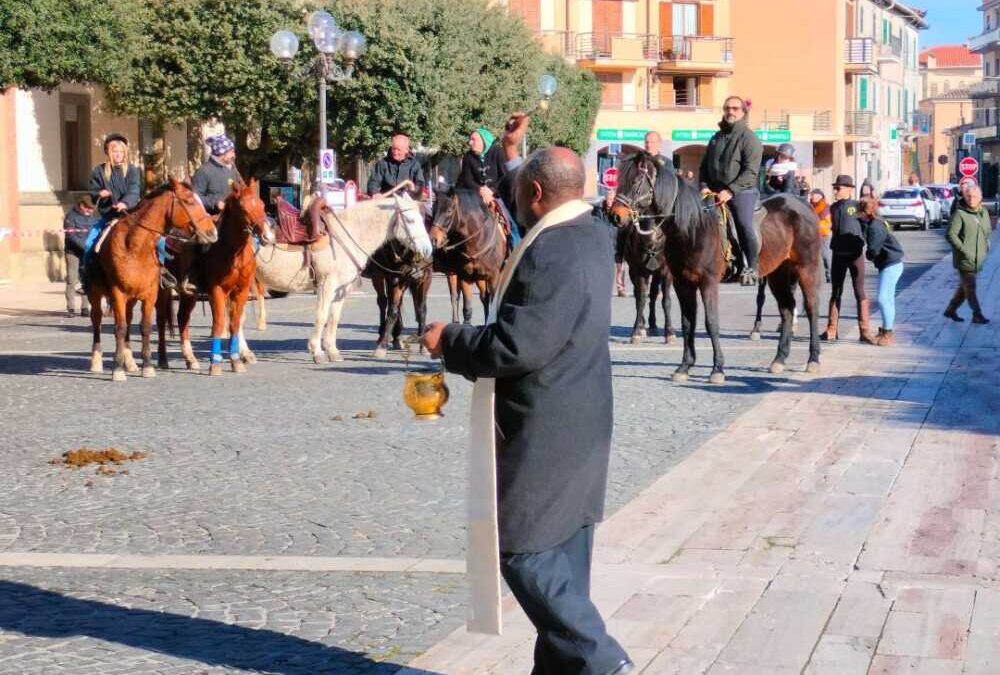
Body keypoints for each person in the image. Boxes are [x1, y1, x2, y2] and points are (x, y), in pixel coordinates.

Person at [420, 113, 633, 675]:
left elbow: (518, 346)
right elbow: (537, 183)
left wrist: (452, 340)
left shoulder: (552, 249)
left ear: (535, 195)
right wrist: (512, 152)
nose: (512, 203)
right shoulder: (592, 234)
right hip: (583, 418)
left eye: (517, 192)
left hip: (548, 427)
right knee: (564, 551)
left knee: (523, 548)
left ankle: (602, 661)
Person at [699, 95, 764, 285]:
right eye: (727, 108)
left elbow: (751, 172)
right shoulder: (716, 138)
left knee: (743, 224)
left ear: (743, 112)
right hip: (713, 192)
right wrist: (703, 186)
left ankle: (751, 266)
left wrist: (731, 190)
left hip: (742, 191)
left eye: (735, 108)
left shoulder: (749, 138)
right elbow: (703, 167)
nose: (730, 111)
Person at [822, 174, 876, 344]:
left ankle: (865, 331)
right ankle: (831, 330)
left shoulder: (858, 206)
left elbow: (869, 225)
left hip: (855, 254)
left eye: (839, 188)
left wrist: (866, 243)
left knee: (859, 291)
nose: (836, 191)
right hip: (838, 253)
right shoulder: (833, 207)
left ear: (849, 189)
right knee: (836, 291)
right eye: (835, 188)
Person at [456, 126, 521, 248]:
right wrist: (480, 190)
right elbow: (466, 180)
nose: (470, 142)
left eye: (473, 139)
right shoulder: (468, 157)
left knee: (511, 222)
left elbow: (505, 177)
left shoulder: (497, 152)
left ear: (484, 141)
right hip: (476, 197)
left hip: (499, 195)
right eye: (470, 139)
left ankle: (516, 251)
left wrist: (491, 191)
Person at [859, 196, 905, 345]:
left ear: (866, 212)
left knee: (883, 298)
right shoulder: (877, 221)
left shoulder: (874, 226)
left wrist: (869, 255)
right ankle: (886, 330)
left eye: (860, 212)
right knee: (888, 299)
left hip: (890, 263)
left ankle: (888, 333)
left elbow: (873, 249)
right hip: (892, 263)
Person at [944, 183, 992, 324]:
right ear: (964, 197)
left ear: (980, 198)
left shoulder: (984, 213)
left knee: (964, 287)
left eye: (974, 196)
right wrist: (963, 249)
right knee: (970, 287)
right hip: (964, 259)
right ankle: (977, 314)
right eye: (968, 196)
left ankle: (950, 310)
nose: (971, 199)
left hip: (978, 258)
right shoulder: (960, 214)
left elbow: (987, 231)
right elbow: (950, 234)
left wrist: (986, 244)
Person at [63, 195, 101, 316]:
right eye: (88, 209)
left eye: (92, 210)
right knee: (71, 279)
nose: (90, 211)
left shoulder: (93, 218)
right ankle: (71, 308)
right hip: (73, 252)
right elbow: (71, 236)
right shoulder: (70, 217)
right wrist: (85, 247)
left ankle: (85, 307)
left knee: (86, 279)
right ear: (81, 205)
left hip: (87, 253)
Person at [89, 133, 141, 219]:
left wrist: (125, 203)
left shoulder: (132, 170)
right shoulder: (99, 171)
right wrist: (100, 194)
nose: (118, 155)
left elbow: (134, 190)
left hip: (129, 213)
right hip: (107, 215)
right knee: (92, 232)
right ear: (108, 152)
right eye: (115, 152)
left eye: (121, 152)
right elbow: (93, 191)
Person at [366, 132, 425, 199]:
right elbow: (373, 182)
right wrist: (375, 193)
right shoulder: (383, 164)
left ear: (406, 150)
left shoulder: (414, 165)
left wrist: (414, 190)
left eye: (399, 150)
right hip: (386, 202)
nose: (395, 152)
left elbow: (420, 184)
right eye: (394, 149)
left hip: (407, 202)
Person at [809, 189, 833, 283]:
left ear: (819, 196)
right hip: (813, 234)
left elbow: (819, 217)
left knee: (825, 255)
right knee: (813, 256)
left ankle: (830, 275)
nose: (811, 197)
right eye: (811, 195)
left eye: (813, 195)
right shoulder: (811, 206)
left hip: (824, 234)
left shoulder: (825, 206)